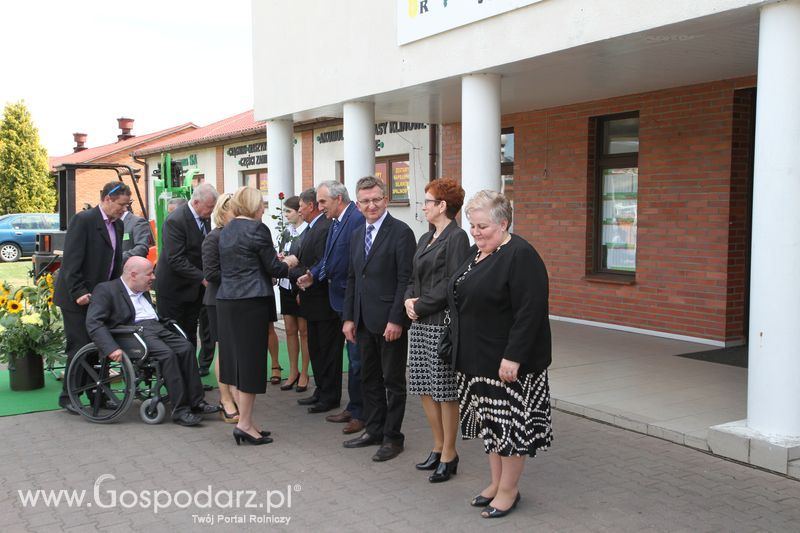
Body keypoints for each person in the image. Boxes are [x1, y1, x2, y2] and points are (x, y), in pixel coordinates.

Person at [447, 190, 553, 519]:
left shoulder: (520, 255)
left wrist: (514, 356)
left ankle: (509, 491)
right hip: (476, 360)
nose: (476, 232)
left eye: (482, 226)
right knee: (491, 428)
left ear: (503, 223)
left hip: (507, 364)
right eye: (472, 226)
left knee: (510, 430)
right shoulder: (477, 252)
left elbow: (530, 312)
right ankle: (495, 483)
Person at [85, 257, 220, 426]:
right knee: (167, 355)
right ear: (133, 275)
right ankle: (180, 411)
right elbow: (94, 322)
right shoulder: (106, 290)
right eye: (149, 274)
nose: (154, 277)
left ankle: (196, 402)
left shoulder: (143, 289)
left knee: (186, 348)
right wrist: (110, 348)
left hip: (156, 327)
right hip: (132, 333)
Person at [341, 176, 415, 462]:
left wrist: (397, 319)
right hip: (362, 322)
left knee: (393, 382)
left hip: (389, 323)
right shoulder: (358, 234)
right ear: (358, 205)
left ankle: (393, 438)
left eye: (376, 199)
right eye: (365, 201)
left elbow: (405, 280)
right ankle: (374, 429)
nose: (371, 205)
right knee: (368, 377)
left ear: (386, 200)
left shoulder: (401, 232)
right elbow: (352, 278)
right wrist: (348, 318)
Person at [216, 186, 298, 445]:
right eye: (261, 203)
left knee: (236, 365)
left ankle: (248, 421)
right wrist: (291, 262)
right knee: (250, 365)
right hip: (250, 303)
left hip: (227, 300)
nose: (264, 207)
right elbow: (273, 267)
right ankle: (243, 424)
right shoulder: (257, 229)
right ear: (252, 206)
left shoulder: (226, 229)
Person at [404, 178, 470, 483]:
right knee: (423, 387)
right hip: (419, 323)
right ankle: (437, 445)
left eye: (427, 202)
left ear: (442, 206)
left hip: (439, 323)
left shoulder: (457, 238)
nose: (424, 207)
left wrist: (421, 306)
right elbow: (412, 276)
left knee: (444, 391)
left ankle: (449, 453)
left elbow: (453, 283)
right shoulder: (425, 238)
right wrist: (408, 300)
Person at [54, 181, 131, 413]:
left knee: (103, 344)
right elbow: (71, 262)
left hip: (100, 296)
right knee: (79, 346)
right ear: (107, 199)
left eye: (127, 205)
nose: (124, 210)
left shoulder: (117, 226)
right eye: (121, 204)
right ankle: (69, 396)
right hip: (76, 297)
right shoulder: (84, 220)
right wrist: (79, 292)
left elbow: (115, 262)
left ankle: (98, 394)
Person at [297, 179, 366, 434]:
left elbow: (353, 263)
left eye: (323, 201)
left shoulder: (355, 220)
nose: (320, 206)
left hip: (352, 301)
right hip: (338, 299)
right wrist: (313, 275)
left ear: (339, 199)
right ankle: (354, 406)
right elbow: (329, 259)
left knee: (357, 360)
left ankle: (361, 412)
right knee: (353, 357)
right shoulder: (336, 222)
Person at [155, 183, 218, 375]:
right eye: (209, 207)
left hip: (193, 290)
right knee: (175, 335)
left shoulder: (203, 217)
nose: (211, 211)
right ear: (196, 202)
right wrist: (202, 277)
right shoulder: (176, 220)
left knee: (190, 334)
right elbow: (175, 259)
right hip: (174, 290)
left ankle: (190, 379)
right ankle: (175, 380)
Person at [289, 188, 339, 414]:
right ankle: (321, 390)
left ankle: (330, 395)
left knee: (327, 350)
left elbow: (322, 262)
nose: (299, 209)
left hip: (323, 301)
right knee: (316, 348)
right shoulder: (313, 228)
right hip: (311, 298)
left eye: (301, 204)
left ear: (310, 206)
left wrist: (295, 268)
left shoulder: (324, 227)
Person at [202, 192, 239, 422]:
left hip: (235, 300)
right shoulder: (213, 238)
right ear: (223, 212)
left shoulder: (237, 235)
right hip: (217, 301)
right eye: (235, 210)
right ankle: (225, 399)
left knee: (233, 350)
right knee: (224, 350)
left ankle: (233, 395)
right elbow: (211, 273)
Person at [276, 196, 310, 391]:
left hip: (301, 286)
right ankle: (293, 371)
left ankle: (305, 372)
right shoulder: (284, 233)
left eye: (289, 211)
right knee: (289, 330)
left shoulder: (308, 232)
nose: (286, 215)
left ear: (299, 211)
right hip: (284, 285)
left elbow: (307, 261)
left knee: (304, 332)